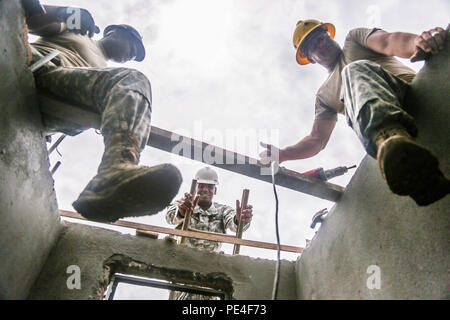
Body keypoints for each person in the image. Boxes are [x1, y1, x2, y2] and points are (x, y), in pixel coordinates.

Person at [23, 1, 182, 222]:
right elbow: (27, 16)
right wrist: (65, 13)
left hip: (59, 106)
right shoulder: (78, 33)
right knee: (132, 79)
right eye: (132, 47)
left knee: (128, 84)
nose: (132, 56)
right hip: (39, 68)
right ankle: (116, 169)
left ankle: (114, 176)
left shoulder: (106, 75)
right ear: (115, 32)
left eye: (135, 55)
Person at [260, 19, 449, 206]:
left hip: (410, 93)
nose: (322, 43)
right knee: (351, 80)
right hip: (390, 126)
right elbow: (317, 139)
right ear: (310, 58)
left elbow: (389, 41)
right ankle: (417, 174)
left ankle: (388, 136)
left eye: (322, 37)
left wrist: (418, 42)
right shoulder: (324, 96)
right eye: (314, 45)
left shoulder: (354, 41)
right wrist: (284, 154)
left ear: (330, 35)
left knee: (352, 71)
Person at [165, 167, 253, 300]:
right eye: (201, 186)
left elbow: (234, 223)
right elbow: (170, 216)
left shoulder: (222, 211)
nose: (205, 189)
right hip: (183, 271)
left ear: (215, 190)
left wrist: (240, 219)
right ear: (195, 188)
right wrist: (183, 210)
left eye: (210, 186)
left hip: (211, 275)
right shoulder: (182, 204)